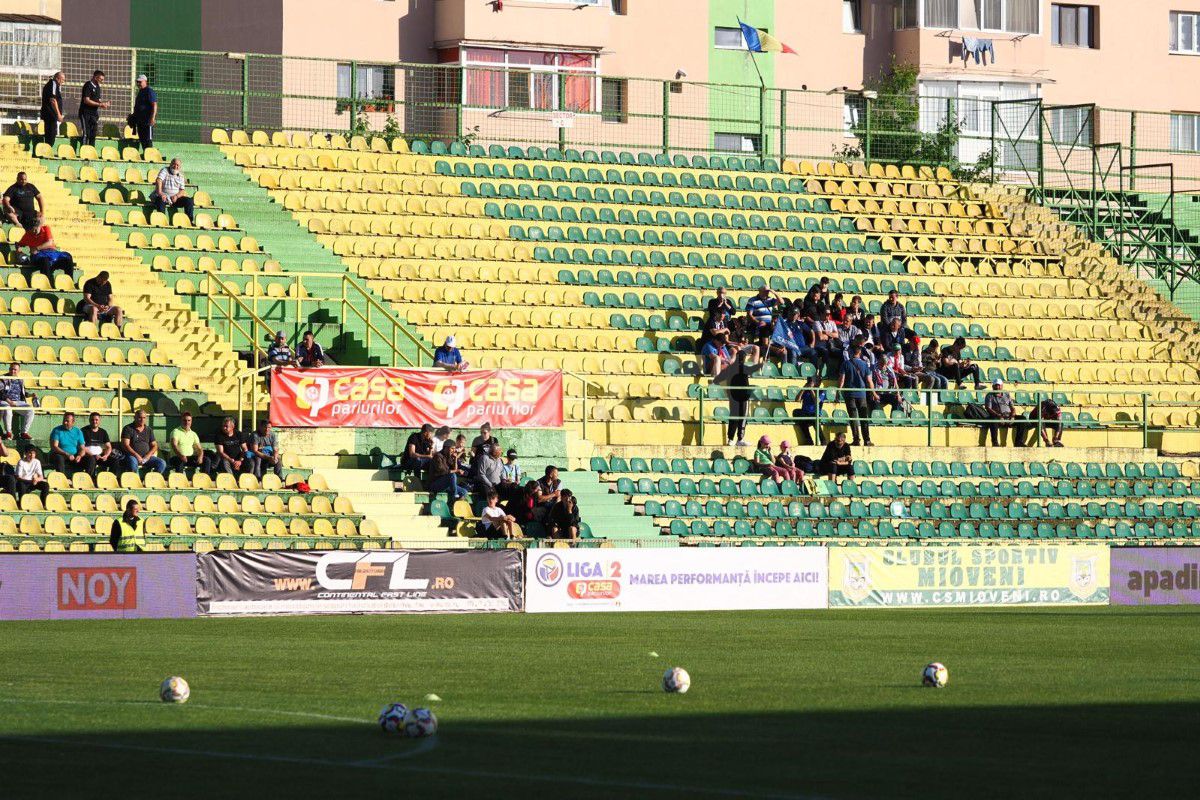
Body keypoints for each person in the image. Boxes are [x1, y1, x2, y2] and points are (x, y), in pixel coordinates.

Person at [839, 343, 877, 447]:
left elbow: (841, 380)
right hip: (862, 394)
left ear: (851, 352)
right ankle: (867, 440)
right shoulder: (864, 364)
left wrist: (838, 392)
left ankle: (856, 440)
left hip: (849, 394)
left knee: (853, 417)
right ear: (860, 352)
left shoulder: (845, 364)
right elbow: (869, 381)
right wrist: (874, 393)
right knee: (864, 417)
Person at [725, 347, 761, 447]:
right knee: (742, 417)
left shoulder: (731, 367)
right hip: (743, 396)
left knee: (734, 417)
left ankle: (730, 439)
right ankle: (739, 439)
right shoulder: (743, 367)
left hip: (734, 395)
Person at [121, 409, 167, 475]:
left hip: (146, 457)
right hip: (132, 456)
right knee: (133, 463)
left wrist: (148, 456)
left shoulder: (149, 430)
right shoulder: (128, 428)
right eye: (140, 418)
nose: (142, 420)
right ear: (134, 418)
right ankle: (135, 482)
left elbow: (155, 445)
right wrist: (136, 455)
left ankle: (152, 480)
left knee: (162, 463)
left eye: (144, 418)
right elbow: (126, 445)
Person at [151, 158, 194, 223]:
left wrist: (176, 196)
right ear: (170, 164)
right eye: (174, 164)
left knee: (189, 201)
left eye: (177, 165)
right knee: (160, 200)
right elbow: (158, 180)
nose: (175, 166)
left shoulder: (181, 176)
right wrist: (160, 193)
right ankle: (162, 221)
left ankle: (189, 221)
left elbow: (182, 191)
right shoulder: (165, 170)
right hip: (163, 196)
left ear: (180, 167)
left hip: (175, 198)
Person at [0, 363, 36, 441]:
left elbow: (23, 393)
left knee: (30, 410)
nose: (13, 371)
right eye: (11, 369)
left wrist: (30, 395)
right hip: (5, 401)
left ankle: (24, 433)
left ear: (18, 371)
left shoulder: (20, 380)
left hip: (18, 402)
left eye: (15, 369)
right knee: (7, 408)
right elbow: (1, 392)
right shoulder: (3, 378)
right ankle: (8, 433)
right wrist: (9, 402)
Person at [426, 441, 467, 506]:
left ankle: (454, 506)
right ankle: (454, 497)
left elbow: (455, 470)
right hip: (434, 484)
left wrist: (455, 459)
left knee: (464, 492)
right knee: (452, 476)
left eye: (454, 448)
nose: (454, 451)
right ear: (446, 448)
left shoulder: (449, 457)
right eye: (452, 448)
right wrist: (456, 471)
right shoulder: (437, 456)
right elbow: (443, 471)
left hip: (445, 485)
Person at [49, 411, 88, 477]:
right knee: (59, 458)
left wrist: (79, 456)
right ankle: (62, 478)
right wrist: (67, 454)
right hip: (59, 454)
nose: (65, 422)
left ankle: (89, 479)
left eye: (67, 421)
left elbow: (82, 448)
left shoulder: (78, 431)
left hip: (73, 456)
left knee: (90, 459)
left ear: (73, 422)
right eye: (64, 420)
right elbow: (54, 446)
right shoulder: (57, 430)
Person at [78, 69, 109, 147]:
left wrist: (103, 104)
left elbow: (98, 100)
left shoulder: (98, 87)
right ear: (95, 77)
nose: (102, 81)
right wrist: (100, 104)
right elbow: (86, 100)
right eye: (101, 79)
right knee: (86, 133)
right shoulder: (88, 85)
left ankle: (91, 150)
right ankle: (84, 150)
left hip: (94, 113)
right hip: (85, 112)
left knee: (93, 133)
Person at [168, 411, 204, 477]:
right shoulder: (176, 431)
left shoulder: (193, 434)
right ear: (181, 420)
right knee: (179, 460)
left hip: (189, 458)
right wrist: (181, 455)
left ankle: (204, 480)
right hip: (177, 457)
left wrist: (200, 456)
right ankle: (180, 481)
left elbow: (199, 448)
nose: (187, 422)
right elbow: (174, 446)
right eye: (184, 420)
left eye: (189, 420)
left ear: (191, 421)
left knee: (207, 460)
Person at [81, 412, 116, 478]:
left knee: (115, 460)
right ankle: (90, 479)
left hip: (101, 456)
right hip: (88, 456)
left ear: (99, 420)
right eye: (92, 420)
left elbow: (108, 447)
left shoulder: (103, 432)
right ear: (89, 420)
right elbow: (81, 446)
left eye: (96, 420)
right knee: (91, 459)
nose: (94, 421)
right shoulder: (83, 431)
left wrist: (106, 455)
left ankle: (111, 479)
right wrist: (93, 455)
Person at [984, 380, 1016, 447]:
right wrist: (998, 416)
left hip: (1008, 415)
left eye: (999, 385)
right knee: (993, 420)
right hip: (997, 416)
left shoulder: (1007, 394)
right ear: (993, 386)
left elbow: (1012, 407)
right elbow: (988, 408)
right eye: (996, 385)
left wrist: (1012, 416)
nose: (998, 387)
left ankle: (1018, 442)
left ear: (1002, 386)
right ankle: (995, 442)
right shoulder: (990, 395)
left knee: (1023, 419)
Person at [131, 73, 157, 150]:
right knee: (142, 140)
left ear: (145, 81)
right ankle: (145, 155)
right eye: (137, 82)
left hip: (147, 121)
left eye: (140, 82)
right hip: (140, 121)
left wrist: (152, 118)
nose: (138, 83)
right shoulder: (140, 92)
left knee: (148, 140)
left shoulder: (149, 91)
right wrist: (134, 116)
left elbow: (154, 105)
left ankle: (150, 157)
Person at [39, 71, 65, 147]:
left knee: (51, 134)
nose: (63, 82)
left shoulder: (54, 85)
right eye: (62, 79)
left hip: (51, 115)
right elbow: (53, 100)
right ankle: (47, 149)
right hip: (50, 114)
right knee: (50, 135)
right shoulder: (53, 84)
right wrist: (59, 114)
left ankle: (48, 149)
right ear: (57, 78)